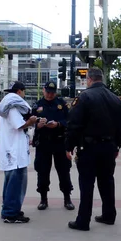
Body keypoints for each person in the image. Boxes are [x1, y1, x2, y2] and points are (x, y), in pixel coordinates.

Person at [65, 67, 121, 231]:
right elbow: (120, 127)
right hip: (109, 147)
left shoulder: (84, 97)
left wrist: (69, 146)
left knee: (87, 184)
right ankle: (109, 215)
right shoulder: (114, 98)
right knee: (107, 182)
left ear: (89, 79)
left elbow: (74, 124)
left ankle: (83, 221)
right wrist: (117, 145)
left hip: (89, 148)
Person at [0, 81, 38, 224]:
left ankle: (9, 208)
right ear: (20, 91)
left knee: (9, 181)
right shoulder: (13, 108)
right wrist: (31, 121)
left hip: (10, 150)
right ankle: (11, 213)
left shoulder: (7, 106)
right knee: (17, 182)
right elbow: (19, 125)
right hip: (15, 152)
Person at [32, 81, 74, 211]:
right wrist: (38, 125)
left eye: (52, 92)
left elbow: (69, 121)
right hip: (44, 142)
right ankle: (43, 199)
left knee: (64, 171)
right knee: (43, 171)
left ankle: (67, 198)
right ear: (43, 90)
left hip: (59, 141)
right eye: (48, 91)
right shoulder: (37, 105)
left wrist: (58, 124)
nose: (50, 94)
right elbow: (31, 121)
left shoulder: (62, 104)